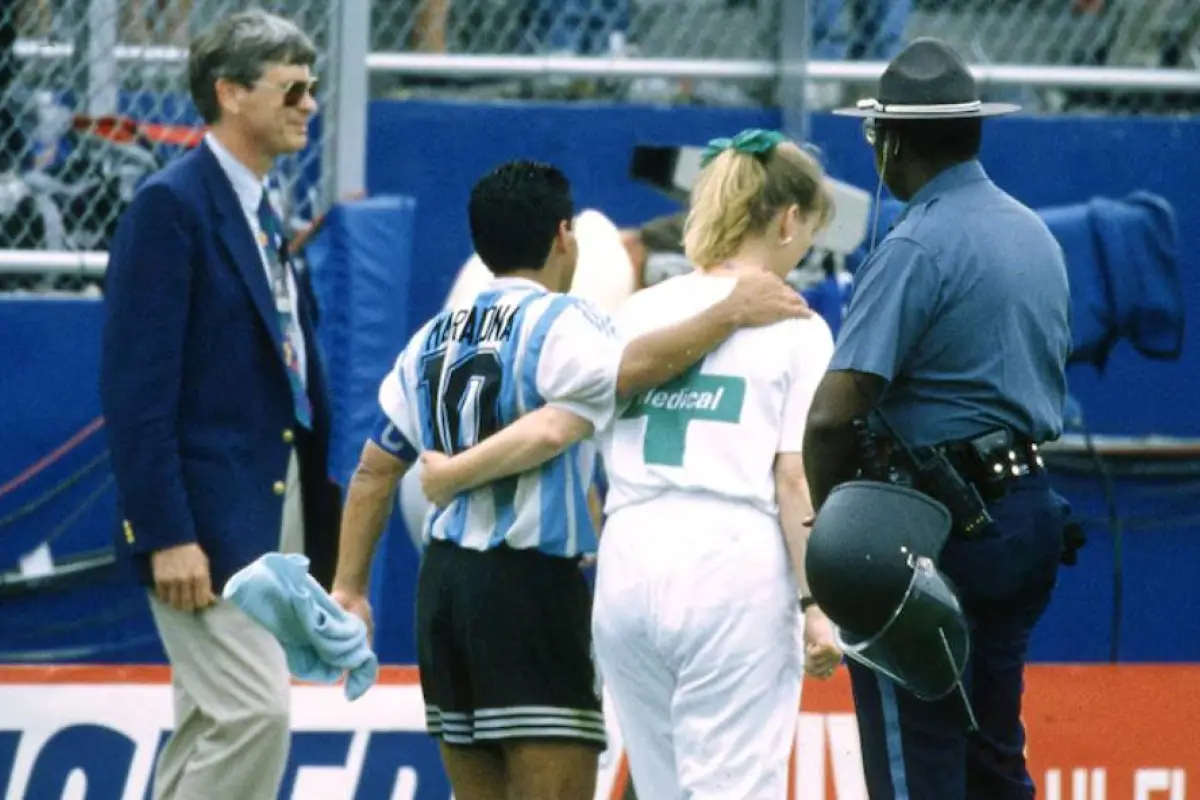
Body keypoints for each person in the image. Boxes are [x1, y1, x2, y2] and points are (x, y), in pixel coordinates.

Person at [330, 159, 810, 800]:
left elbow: (372, 471)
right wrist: (730, 312)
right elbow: (611, 384)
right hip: (526, 588)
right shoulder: (565, 325)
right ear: (564, 236)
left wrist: (350, 586)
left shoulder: (430, 340)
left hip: (443, 590)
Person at [803, 38, 1074, 800]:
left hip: (930, 527)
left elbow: (832, 414)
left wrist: (838, 529)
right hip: (1024, 511)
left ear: (893, 140)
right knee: (992, 760)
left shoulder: (917, 241)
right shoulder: (1035, 233)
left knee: (914, 768)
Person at [98, 11, 338, 799]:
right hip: (208, 521)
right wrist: (166, 533)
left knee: (212, 718)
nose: (310, 103)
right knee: (253, 715)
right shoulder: (172, 208)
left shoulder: (259, 210)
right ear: (229, 93)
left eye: (314, 87)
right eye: (292, 88)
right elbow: (137, 395)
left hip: (274, 507)